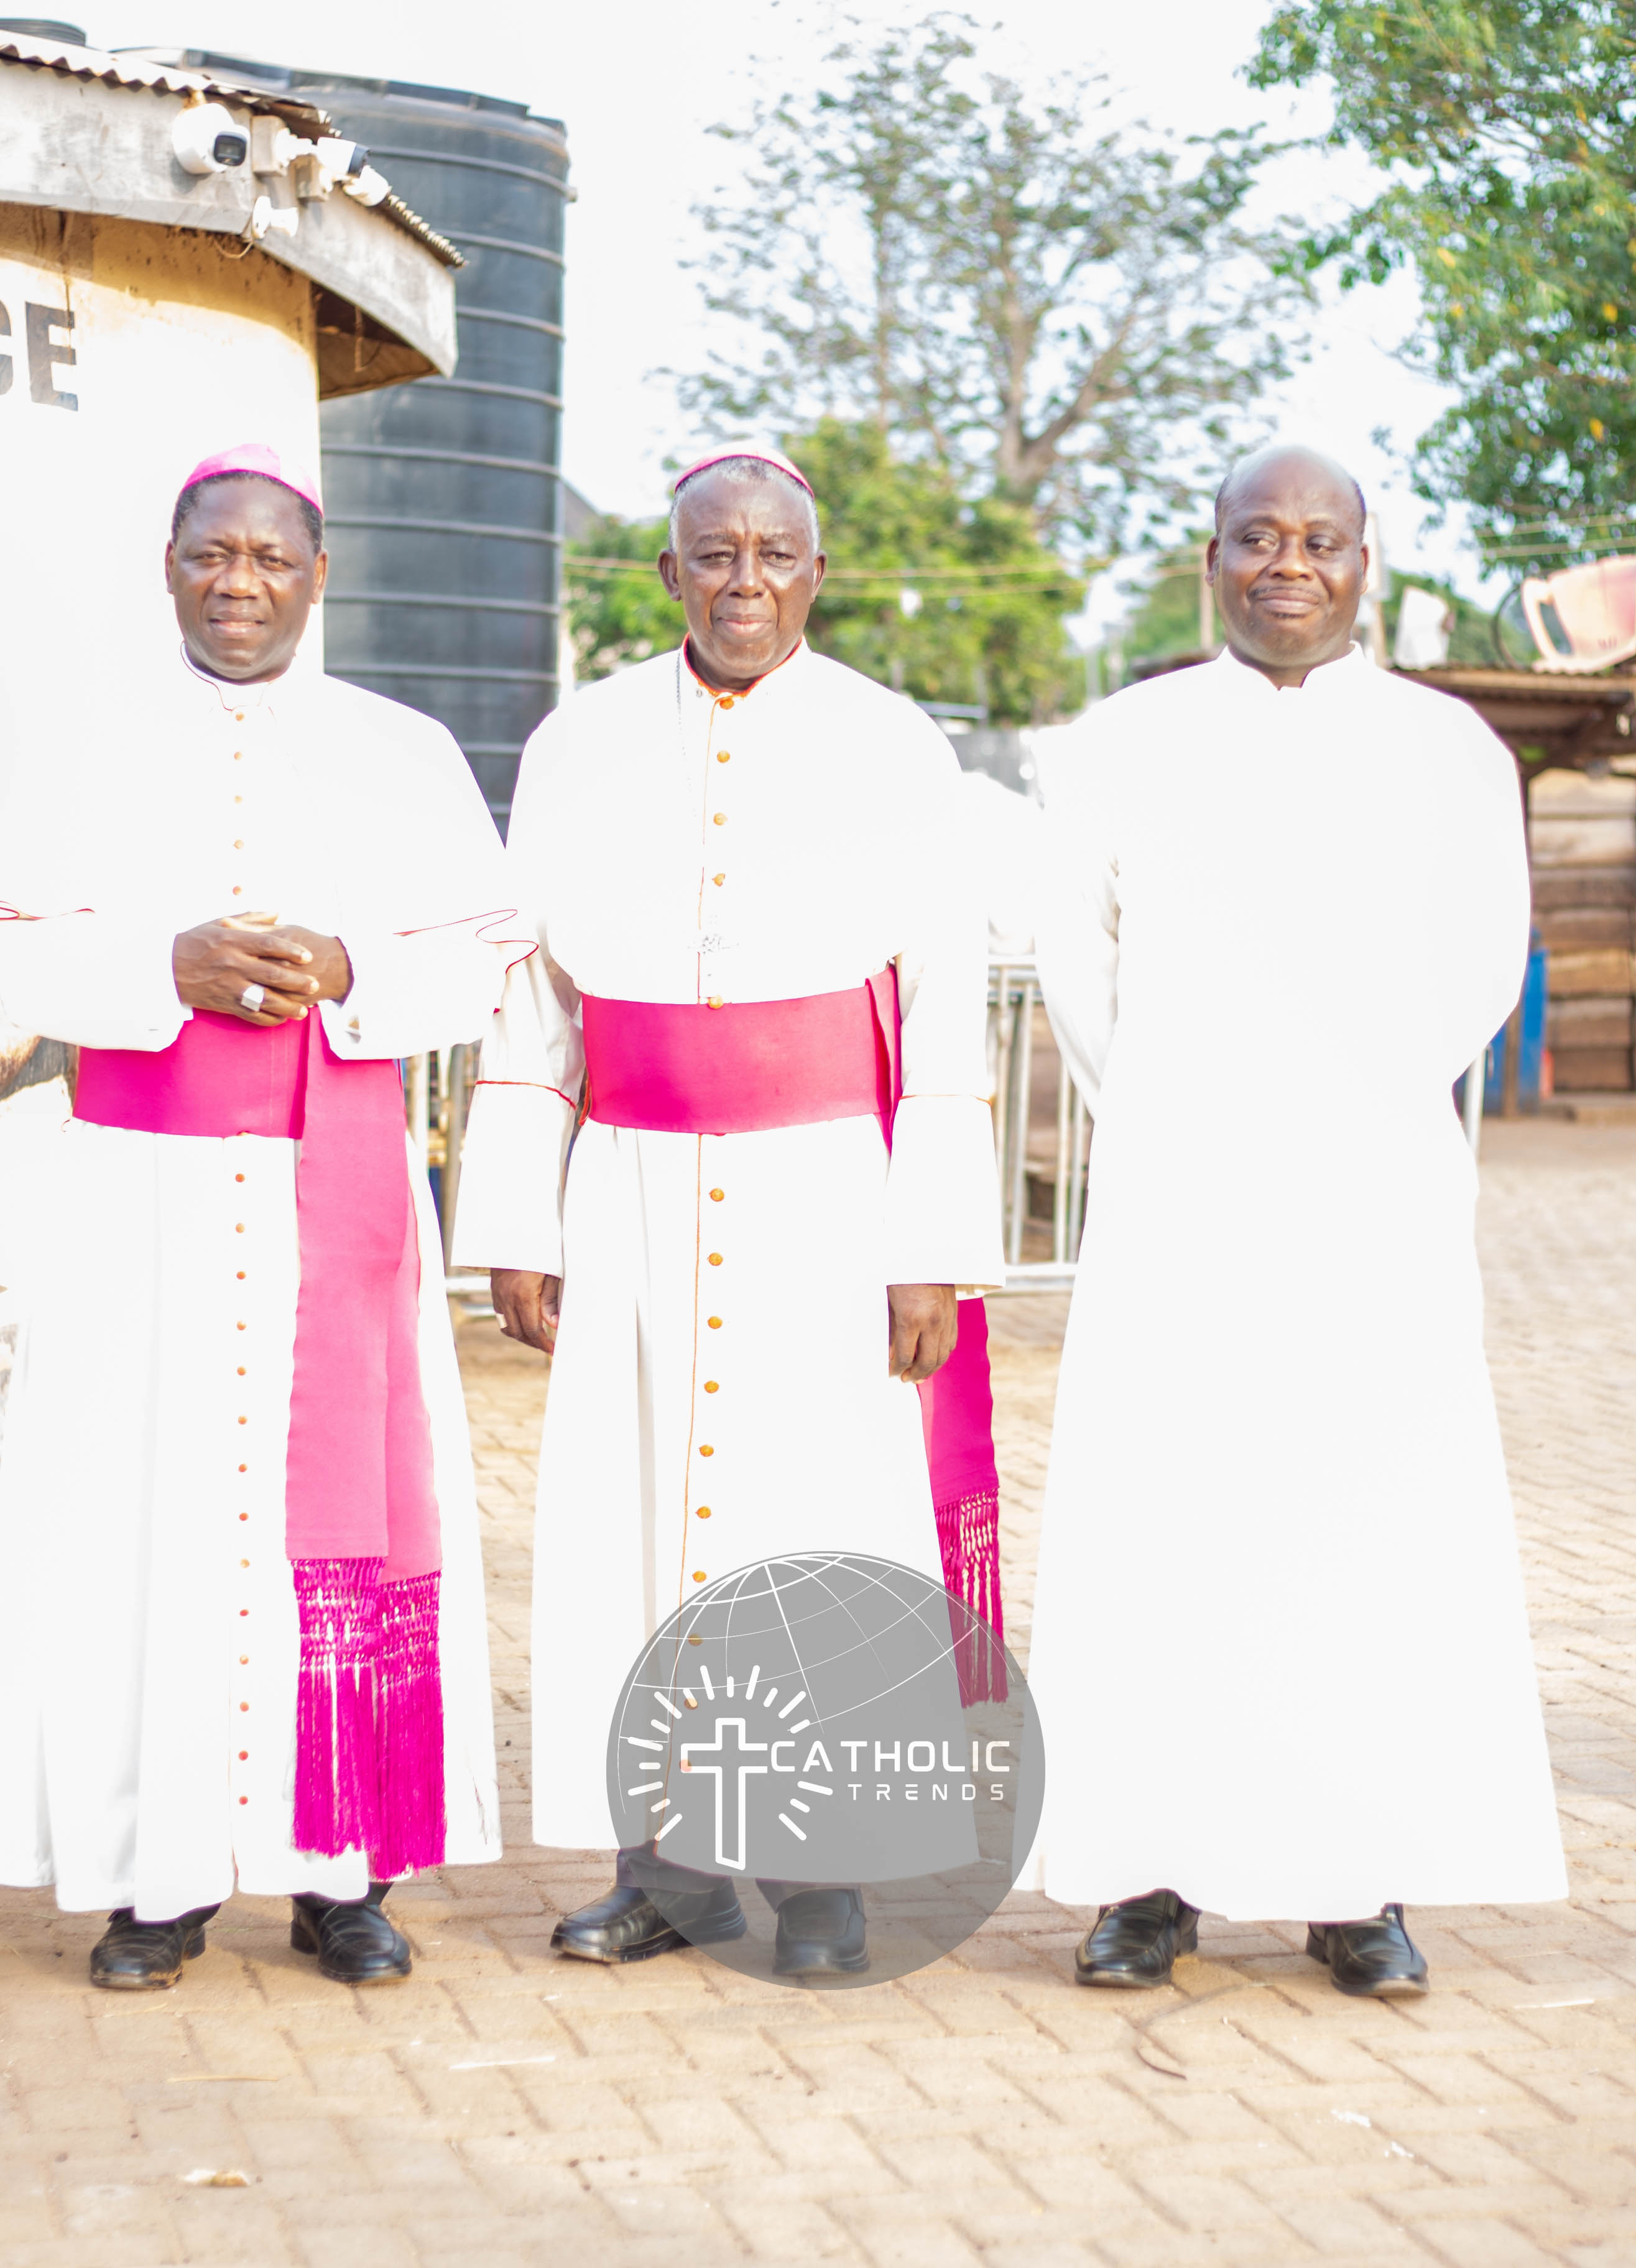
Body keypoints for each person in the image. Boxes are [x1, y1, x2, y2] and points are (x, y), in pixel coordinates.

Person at [0, 445, 515, 1991]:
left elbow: (486, 957)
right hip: (144, 1200)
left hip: (342, 1190)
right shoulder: (67, 748)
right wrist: (154, 966)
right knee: (150, 1528)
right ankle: (157, 1878)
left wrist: (349, 966)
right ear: (171, 567)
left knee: (348, 1534)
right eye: (213, 556)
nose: (240, 584)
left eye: (271, 559)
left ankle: (344, 1875)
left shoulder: (400, 749)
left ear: (315, 576)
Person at [1024, 443, 1567, 1996]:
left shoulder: (1450, 750)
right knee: (1164, 1522)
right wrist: (1186, 1116)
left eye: (1317, 539)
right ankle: (1143, 1879)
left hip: (1368, 1199)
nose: (1286, 564)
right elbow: (1077, 966)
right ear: (1209, 559)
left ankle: (1353, 1885)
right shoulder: (1115, 743)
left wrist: (1341, 1110)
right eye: (1255, 537)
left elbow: (1478, 968)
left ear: (1362, 563)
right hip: (1179, 1195)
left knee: (1356, 1526)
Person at [455, 446, 1002, 1978]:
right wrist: (518, 1213)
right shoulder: (573, 745)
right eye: (712, 556)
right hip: (627, 1176)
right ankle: (660, 1867)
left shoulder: (894, 747)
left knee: (812, 1517)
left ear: (813, 576)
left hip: (824, 1191)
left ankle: (820, 1877)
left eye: (772, 557)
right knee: (631, 1520)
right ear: (667, 573)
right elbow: (532, 1004)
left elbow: (945, 1006)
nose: (742, 582)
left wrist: (931, 1250)